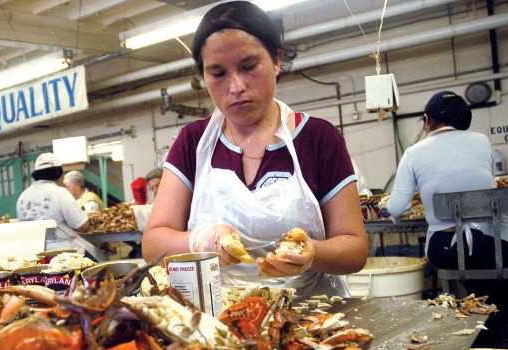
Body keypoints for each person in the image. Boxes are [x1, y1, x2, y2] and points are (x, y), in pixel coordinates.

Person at [142, 1, 368, 298]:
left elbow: (355, 248)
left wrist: (311, 253)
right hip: (215, 319)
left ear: (276, 60)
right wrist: (200, 241)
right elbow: (153, 243)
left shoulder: (317, 138)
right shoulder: (193, 142)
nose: (235, 86)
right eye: (218, 73)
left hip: (310, 316)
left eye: (248, 67)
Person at [387, 90, 508, 331]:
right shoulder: (482, 141)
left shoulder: (413, 153)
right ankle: (498, 322)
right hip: (498, 246)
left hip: (447, 249)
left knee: (467, 260)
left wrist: (388, 208)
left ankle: (471, 325)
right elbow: (488, 189)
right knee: (492, 262)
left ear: (427, 119)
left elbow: (398, 208)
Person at [16, 153, 106, 261]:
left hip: (33, 254)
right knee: (101, 263)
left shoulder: (22, 197)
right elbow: (82, 226)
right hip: (63, 253)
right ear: (59, 172)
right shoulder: (60, 193)